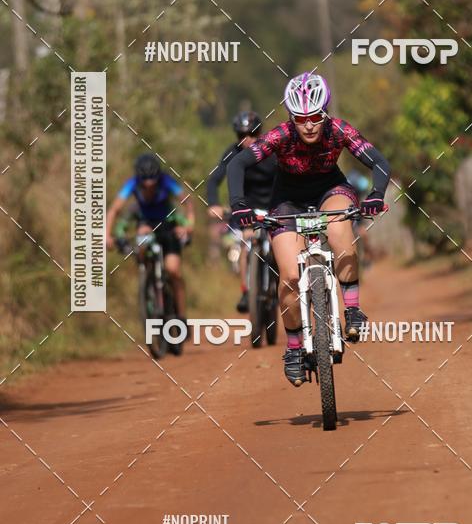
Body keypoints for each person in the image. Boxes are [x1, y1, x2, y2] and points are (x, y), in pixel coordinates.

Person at [226, 74, 390, 386]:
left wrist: (376, 195)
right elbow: (238, 165)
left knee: (341, 231)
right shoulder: (280, 136)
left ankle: (352, 311)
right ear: (291, 118)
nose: (309, 125)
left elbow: (379, 162)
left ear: (325, 114)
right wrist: (239, 204)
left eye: (316, 117)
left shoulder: (340, 130)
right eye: (301, 119)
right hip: (286, 201)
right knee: (288, 276)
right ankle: (293, 348)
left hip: (331, 191)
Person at [106, 153, 194, 322]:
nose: (149, 188)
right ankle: (148, 279)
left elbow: (187, 201)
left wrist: (189, 225)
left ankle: (182, 316)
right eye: (145, 185)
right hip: (146, 225)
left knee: (173, 271)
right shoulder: (131, 184)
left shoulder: (167, 181)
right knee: (141, 237)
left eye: (153, 183)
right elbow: (114, 210)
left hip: (168, 225)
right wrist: (106, 235)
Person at [207, 110, 277, 312]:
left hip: (274, 207)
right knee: (247, 244)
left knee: (278, 245)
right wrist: (214, 204)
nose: (247, 140)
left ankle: (281, 284)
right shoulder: (232, 154)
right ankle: (247, 290)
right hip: (246, 210)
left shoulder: (272, 152)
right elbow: (213, 180)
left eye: (253, 134)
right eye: (241, 135)